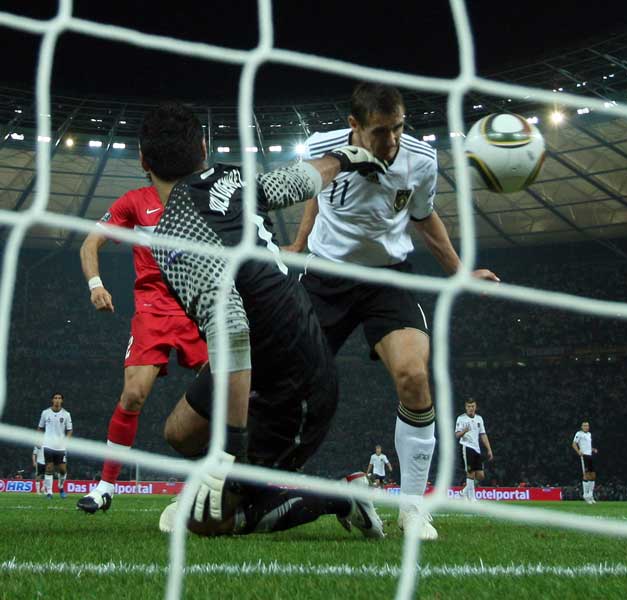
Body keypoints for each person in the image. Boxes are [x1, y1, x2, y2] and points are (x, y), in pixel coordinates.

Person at [138, 101, 387, 537]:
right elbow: (297, 179)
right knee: (180, 431)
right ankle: (248, 484)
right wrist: (345, 158)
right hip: (264, 356)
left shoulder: (174, 236)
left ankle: (339, 495)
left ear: (144, 162)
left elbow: (231, 326)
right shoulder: (231, 178)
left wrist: (229, 449)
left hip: (296, 385)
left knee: (205, 523)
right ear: (203, 147)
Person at [286, 82, 499, 540]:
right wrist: (300, 243)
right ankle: (230, 480)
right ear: (355, 126)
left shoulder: (420, 159)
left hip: (388, 278)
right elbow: (314, 194)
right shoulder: (323, 147)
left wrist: (460, 271)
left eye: (398, 128)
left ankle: (413, 508)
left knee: (414, 376)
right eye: (381, 131)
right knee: (283, 379)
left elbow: (424, 216)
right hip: (327, 278)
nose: (392, 140)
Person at [77, 183, 209, 514]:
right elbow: (90, 242)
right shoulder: (135, 201)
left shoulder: (205, 194)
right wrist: (96, 285)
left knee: (229, 390)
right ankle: (106, 487)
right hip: (153, 310)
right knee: (133, 394)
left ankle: (227, 479)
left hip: (199, 306)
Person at [454, 399, 493, 501]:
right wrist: (464, 431)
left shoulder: (479, 419)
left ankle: (463, 492)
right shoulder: (461, 418)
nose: (471, 408)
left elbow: (483, 434)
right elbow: (457, 435)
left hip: (476, 449)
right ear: (465, 407)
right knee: (470, 473)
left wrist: (489, 449)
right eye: (469, 406)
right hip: (466, 447)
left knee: (480, 476)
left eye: (472, 406)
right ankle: (472, 499)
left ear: (475, 407)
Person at [36, 393, 72, 499]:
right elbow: (40, 428)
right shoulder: (45, 413)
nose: (57, 400)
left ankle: (61, 487)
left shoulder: (66, 414)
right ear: (52, 400)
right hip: (48, 445)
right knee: (49, 468)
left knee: (63, 470)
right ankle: (49, 493)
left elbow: (69, 430)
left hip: (60, 447)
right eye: (55, 398)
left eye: (59, 398)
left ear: (62, 401)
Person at [571, 421, 597, 504]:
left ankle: (590, 494)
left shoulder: (589, 434)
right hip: (584, 456)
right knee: (586, 475)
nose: (586, 427)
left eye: (587, 426)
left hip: (590, 455)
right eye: (585, 426)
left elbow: (587, 445)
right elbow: (574, 444)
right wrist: (578, 451)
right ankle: (585, 495)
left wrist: (592, 449)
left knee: (593, 475)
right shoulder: (579, 434)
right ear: (582, 427)